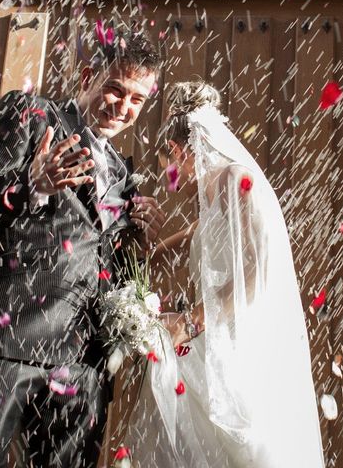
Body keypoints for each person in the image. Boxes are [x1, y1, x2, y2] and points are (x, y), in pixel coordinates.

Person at [0, 26, 165, 467]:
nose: (124, 107)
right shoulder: (32, 115)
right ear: (86, 76)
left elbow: (97, 263)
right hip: (5, 345)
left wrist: (138, 240)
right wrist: (31, 185)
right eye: (115, 89)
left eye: (138, 99)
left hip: (83, 366)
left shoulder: (124, 172)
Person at [124, 81, 325, 467]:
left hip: (239, 346)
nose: (170, 169)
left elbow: (258, 272)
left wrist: (190, 321)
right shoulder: (213, 192)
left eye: (169, 158)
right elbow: (181, 243)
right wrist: (141, 250)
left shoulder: (235, 180)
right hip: (213, 340)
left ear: (179, 149)